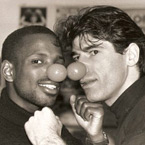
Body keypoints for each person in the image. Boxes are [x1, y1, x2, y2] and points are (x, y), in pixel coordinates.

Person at [25, 5, 145, 145]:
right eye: (76, 57)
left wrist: (47, 140)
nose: (78, 69)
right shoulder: (133, 114)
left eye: (94, 52)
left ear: (131, 55)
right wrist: (97, 139)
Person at [0, 25, 83, 145]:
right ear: (9, 71)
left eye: (58, 63)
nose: (56, 73)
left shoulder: (48, 122)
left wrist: (96, 138)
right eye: (37, 61)